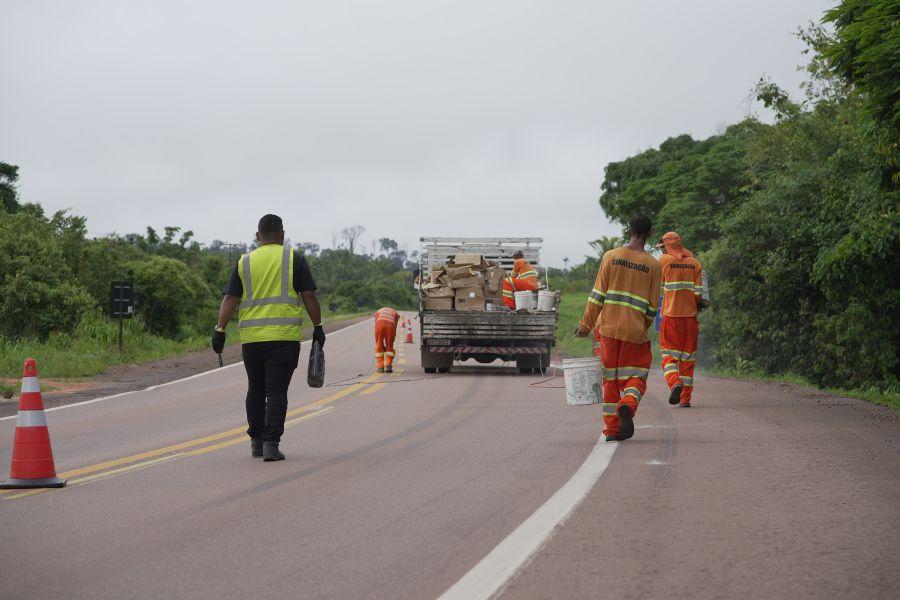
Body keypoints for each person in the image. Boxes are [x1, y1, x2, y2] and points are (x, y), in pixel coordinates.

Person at [212, 214, 326, 462]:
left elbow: (230, 299)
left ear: (257, 236)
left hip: (252, 339)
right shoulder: (293, 259)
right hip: (284, 338)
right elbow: (309, 295)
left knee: (256, 389)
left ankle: (256, 442)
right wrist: (317, 326)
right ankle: (271, 445)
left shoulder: (245, 262)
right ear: (283, 235)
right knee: (276, 391)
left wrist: (219, 330)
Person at [574, 215, 661, 442]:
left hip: (609, 331)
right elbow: (653, 307)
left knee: (610, 380)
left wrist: (585, 325)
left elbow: (597, 297)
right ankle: (628, 404)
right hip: (635, 332)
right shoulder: (653, 265)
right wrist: (641, 327)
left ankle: (613, 430)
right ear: (649, 234)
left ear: (629, 230)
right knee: (637, 375)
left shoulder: (611, 257)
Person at [655, 231, 705, 408]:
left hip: (671, 317)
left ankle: (674, 383)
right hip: (690, 318)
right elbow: (699, 295)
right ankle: (685, 399)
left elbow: (657, 286)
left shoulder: (663, 261)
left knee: (668, 356)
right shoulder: (695, 263)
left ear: (667, 246)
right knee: (687, 359)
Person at [373, 307, 400, 373]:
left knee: (379, 345)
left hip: (379, 324)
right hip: (391, 325)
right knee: (390, 347)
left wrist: (382, 346)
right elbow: (395, 325)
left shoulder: (378, 311)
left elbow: (376, 323)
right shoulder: (395, 313)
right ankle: (388, 365)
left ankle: (380, 367)